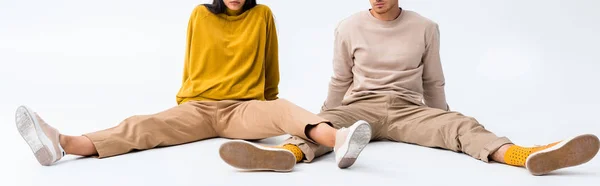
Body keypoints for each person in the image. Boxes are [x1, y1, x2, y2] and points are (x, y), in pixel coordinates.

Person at [218, 0, 600, 175]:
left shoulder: (425, 27)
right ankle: (286, 157)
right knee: (318, 126)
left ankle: (523, 155)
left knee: (461, 124)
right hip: (358, 106)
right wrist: (325, 117)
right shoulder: (348, 26)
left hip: (407, 109)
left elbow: (433, 79)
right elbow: (340, 80)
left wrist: (444, 118)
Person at [15, 0, 372, 171]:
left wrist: (269, 111)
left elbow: (270, 68)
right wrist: (183, 107)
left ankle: (340, 141)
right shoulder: (199, 15)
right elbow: (191, 65)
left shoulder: (262, 15)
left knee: (283, 109)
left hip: (242, 108)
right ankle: (60, 143)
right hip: (198, 107)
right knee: (143, 125)